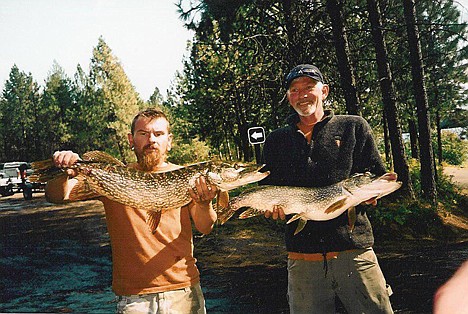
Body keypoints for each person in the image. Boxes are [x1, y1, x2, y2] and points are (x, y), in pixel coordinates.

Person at [45, 108, 218, 314]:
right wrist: (65, 172)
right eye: (143, 134)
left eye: (159, 134)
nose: (151, 140)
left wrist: (205, 203)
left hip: (182, 289)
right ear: (131, 139)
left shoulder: (187, 177)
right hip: (134, 297)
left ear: (169, 141)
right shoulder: (110, 176)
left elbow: (205, 226)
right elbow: (55, 195)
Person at [261, 64, 394, 313]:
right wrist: (271, 211)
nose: (302, 95)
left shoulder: (353, 127)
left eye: (308, 87)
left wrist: (372, 195)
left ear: (324, 91)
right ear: (288, 97)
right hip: (303, 259)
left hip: (355, 254)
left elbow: (375, 175)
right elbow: (267, 188)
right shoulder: (276, 140)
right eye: (294, 90)